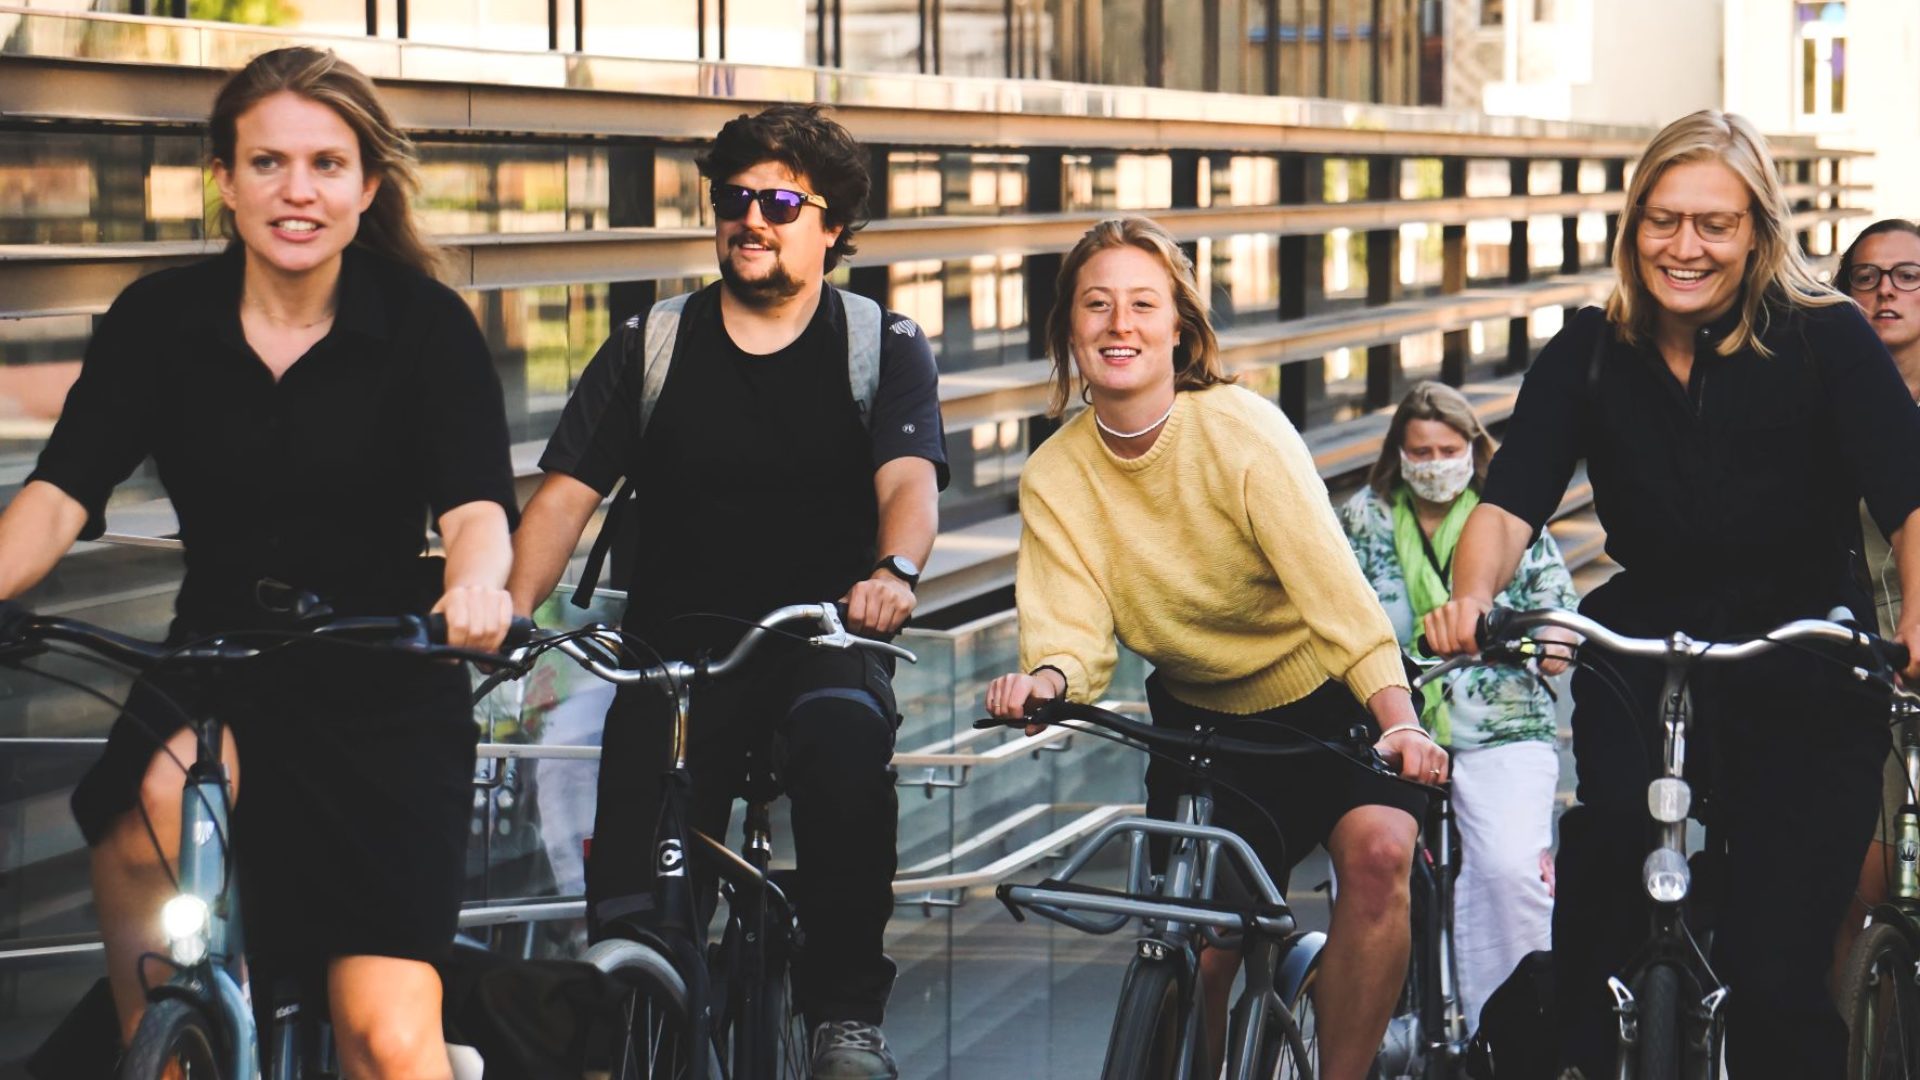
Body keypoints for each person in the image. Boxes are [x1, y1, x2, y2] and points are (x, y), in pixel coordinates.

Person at [0, 47, 518, 1078]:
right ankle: (170, 1044)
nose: (297, 191)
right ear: (225, 181)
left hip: (383, 681)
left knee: (383, 1034)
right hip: (221, 659)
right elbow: (59, 494)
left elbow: (476, 506)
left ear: (367, 187)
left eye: (327, 165)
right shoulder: (160, 321)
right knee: (144, 797)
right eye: (268, 163)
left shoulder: (421, 328)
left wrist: (477, 583)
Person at [1421, 111, 1920, 1079]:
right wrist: (1471, 599)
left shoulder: (1828, 340)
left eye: (1714, 224)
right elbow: (1510, 497)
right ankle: (1593, 1038)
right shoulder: (1591, 349)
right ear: (1632, 226)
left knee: (1777, 974)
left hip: (1805, 655)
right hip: (1645, 645)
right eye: (1662, 220)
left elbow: (1911, 496)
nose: (1684, 247)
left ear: (1758, 233)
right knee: (1603, 877)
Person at [506, 103, 946, 1080]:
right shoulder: (653, 344)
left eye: (782, 199)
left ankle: (842, 1016)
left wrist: (893, 572)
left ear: (831, 229)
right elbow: (565, 495)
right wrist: (509, 612)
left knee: (844, 741)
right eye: (735, 198)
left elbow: (909, 482)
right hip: (673, 658)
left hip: (822, 639)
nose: (753, 215)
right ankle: (639, 1019)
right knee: (636, 885)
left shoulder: (879, 342)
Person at [983, 216, 1447, 1080]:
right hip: (1204, 731)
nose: (1120, 324)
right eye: (1097, 305)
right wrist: (1045, 679)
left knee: (1381, 855)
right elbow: (1072, 631)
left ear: (1179, 329)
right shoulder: (1057, 473)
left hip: (1332, 706)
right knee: (1193, 950)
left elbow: (1336, 596)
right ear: (1068, 331)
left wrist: (1399, 718)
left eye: (1142, 304)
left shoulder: (1240, 429)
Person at [1338, 380, 1577, 1036]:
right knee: (1363, 867)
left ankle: (1510, 1036)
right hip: (1390, 723)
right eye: (1421, 451)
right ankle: (1373, 1033)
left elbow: (1559, 608)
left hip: (1501, 723)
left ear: (1473, 449)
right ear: (1399, 455)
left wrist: (1548, 640)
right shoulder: (1366, 517)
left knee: (1506, 871)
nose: (1436, 463)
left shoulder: (1510, 513)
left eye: (1449, 449)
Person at [1834, 218, 1920, 982]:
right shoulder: (1822, 406)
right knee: (1854, 887)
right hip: (1854, 660)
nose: (1885, 290)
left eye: (1906, 275)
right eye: (1865, 276)